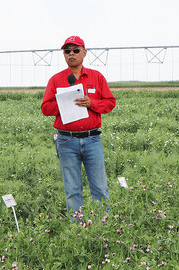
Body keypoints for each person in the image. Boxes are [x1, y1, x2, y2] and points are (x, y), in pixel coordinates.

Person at [41, 36, 116, 219]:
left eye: (75, 50)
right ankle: (78, 228)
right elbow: (45, 108)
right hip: (67, 141)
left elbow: (110, 103)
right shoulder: (56, 80)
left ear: (84, 52)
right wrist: (63, 102)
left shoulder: (96, 77)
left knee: (99, 186)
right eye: (67, 51)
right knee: (73, 189)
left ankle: (103, 226)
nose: (71, 54)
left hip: (92, 140)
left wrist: (91, 103)